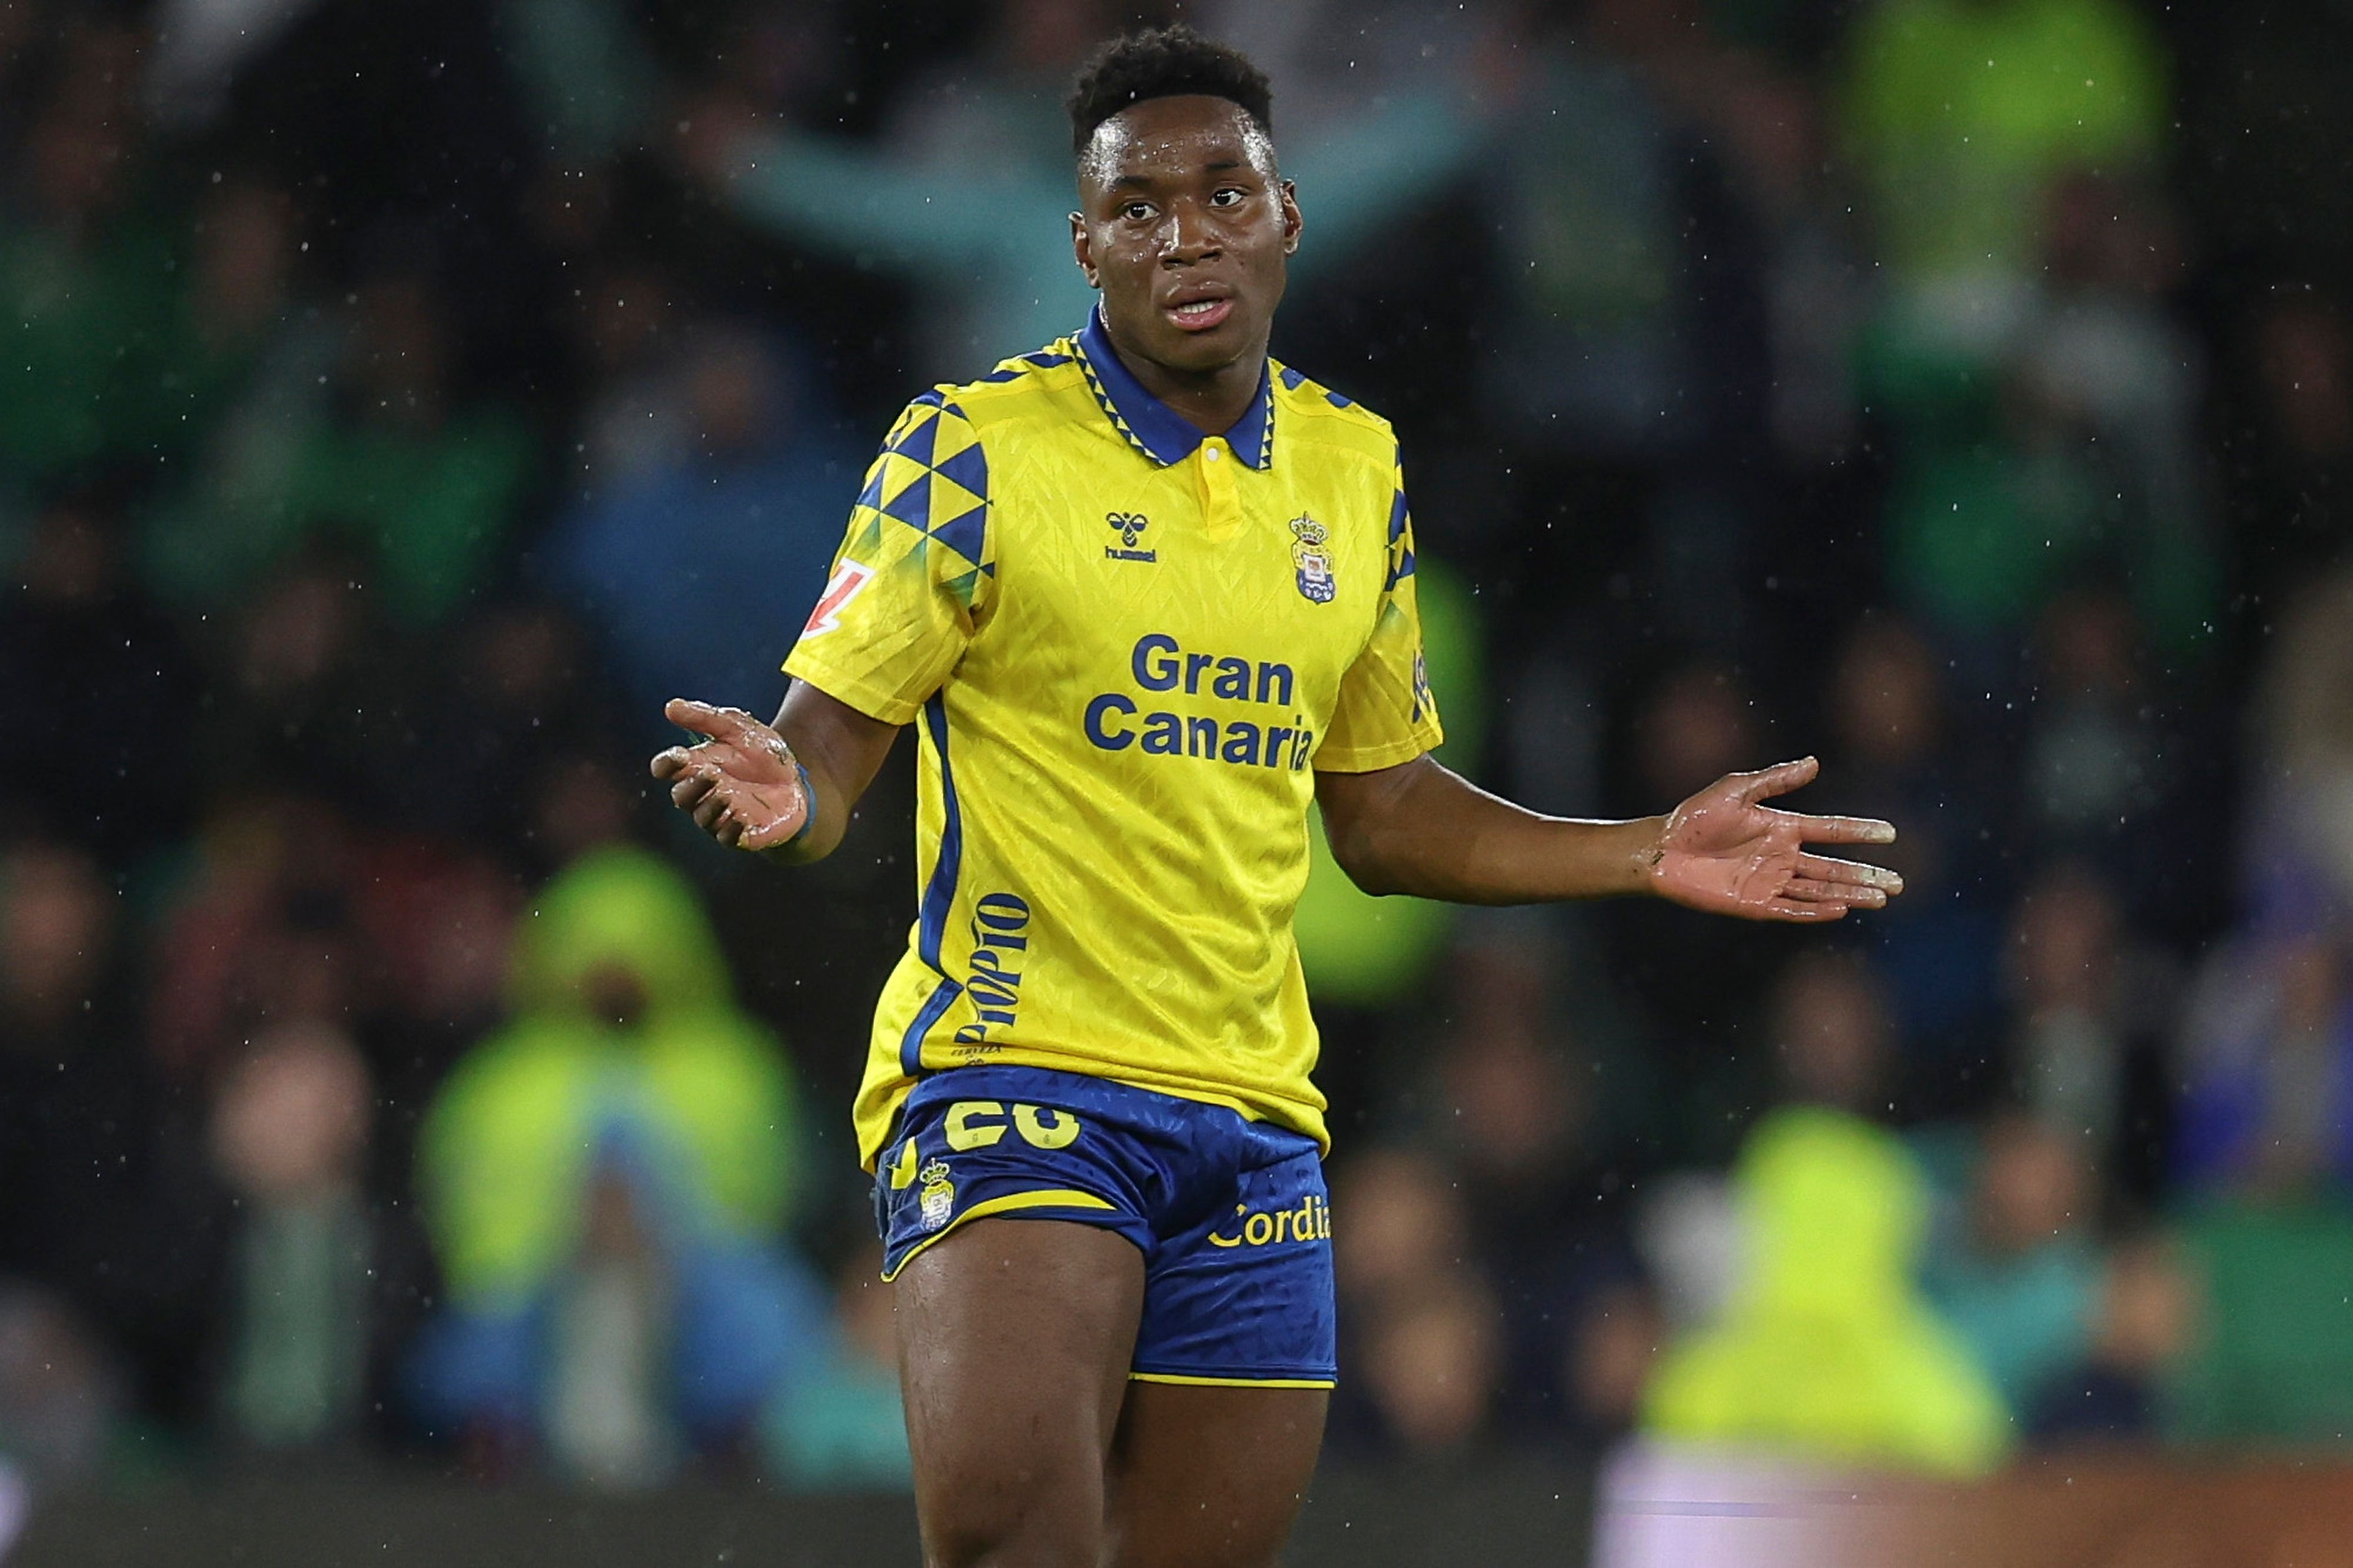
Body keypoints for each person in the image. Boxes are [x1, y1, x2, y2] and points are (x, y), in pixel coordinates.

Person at [652, 26, 1904, 1567]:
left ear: (1288, 217)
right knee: (1015, 1546)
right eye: (1137, 207)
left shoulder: (1352, 471)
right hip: (1014, 1077)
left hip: (1252, 1122)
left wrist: (1644, 848)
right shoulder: (969, 450)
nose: (1185, 233)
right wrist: (795, 793)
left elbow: (1383, 814)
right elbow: (830, 749)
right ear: (1084, 247)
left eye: (1224, 193)